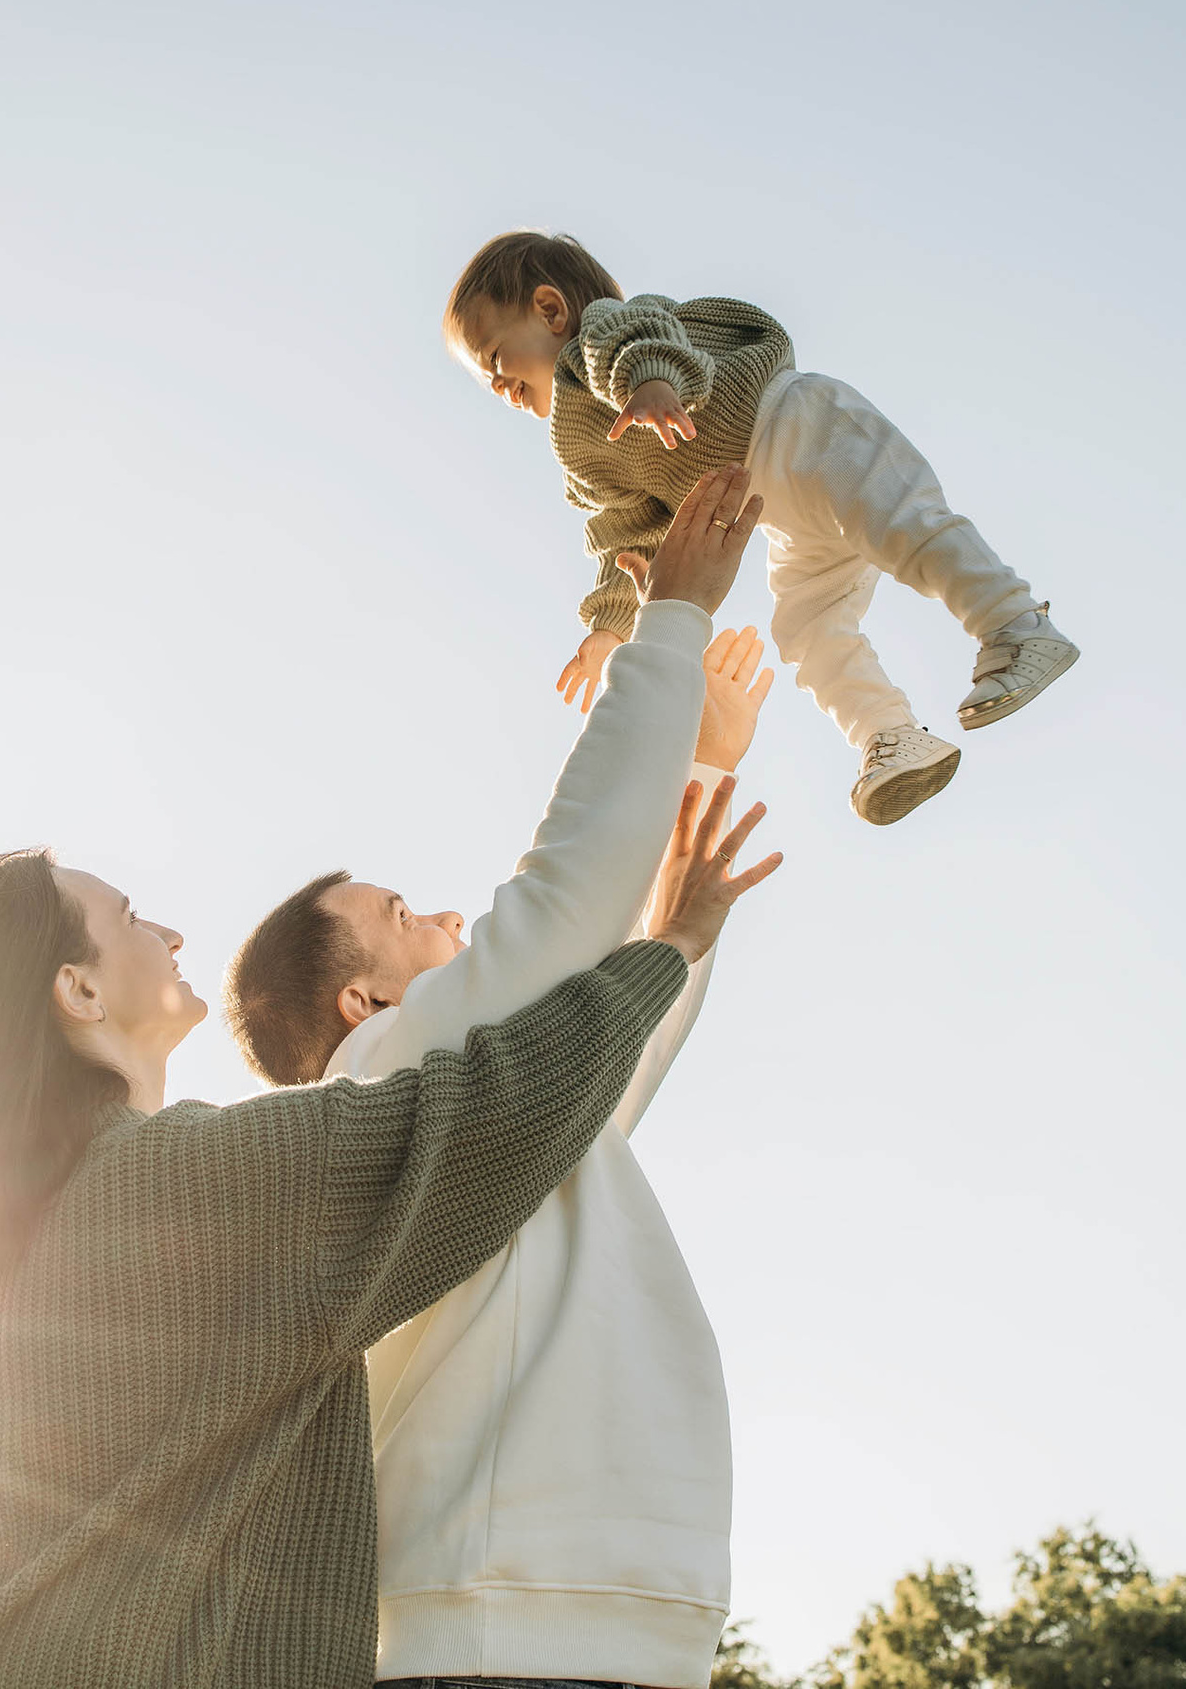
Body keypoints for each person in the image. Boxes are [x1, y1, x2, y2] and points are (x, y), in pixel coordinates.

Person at [0, 474, 776, 1689]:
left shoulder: (82, 1230)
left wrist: (675, 909)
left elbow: (574, 1086)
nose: (172, 934)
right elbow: (525, 1013)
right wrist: (667, 625)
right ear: (75, 994)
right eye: (130, 917)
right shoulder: (201, 1176)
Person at [223, 469, 780, 1689]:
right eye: (399, 913)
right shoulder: (373, 1085)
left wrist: (694, 781)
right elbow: (560, 906)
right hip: (496, 1628)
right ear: (360, 1006)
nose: (444, 913)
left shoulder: (484, 1107)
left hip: (594, 1622)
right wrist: (670, 622)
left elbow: (615, 1034)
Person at [444, 228, 1082, 827]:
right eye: (484, 382)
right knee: (805, 627)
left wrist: (653, 381)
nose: (497, 386)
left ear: (551, 311)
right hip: (778, 511)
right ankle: (889, 735)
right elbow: (623, 531)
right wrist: (610, 622)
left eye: (495, 358)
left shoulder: (601, 339)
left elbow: (639, 338)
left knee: (904, 527)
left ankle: (1016, 625)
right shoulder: (581, 447)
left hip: (800, 424)